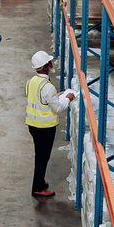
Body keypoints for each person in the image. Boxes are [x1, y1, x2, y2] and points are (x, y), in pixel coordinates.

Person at [25, 50, 78, 197]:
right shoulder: (48, 86)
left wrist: (57, 95)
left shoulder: (31, 82)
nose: (51, 63)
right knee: (42, 157)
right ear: (46, 66)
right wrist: (68, 98)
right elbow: (59, 107)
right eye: (49, 62)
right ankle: (38, 187)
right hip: (45, 128)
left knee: (40, 155)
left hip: (33, 125)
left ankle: (40, 181)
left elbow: (40, 99)